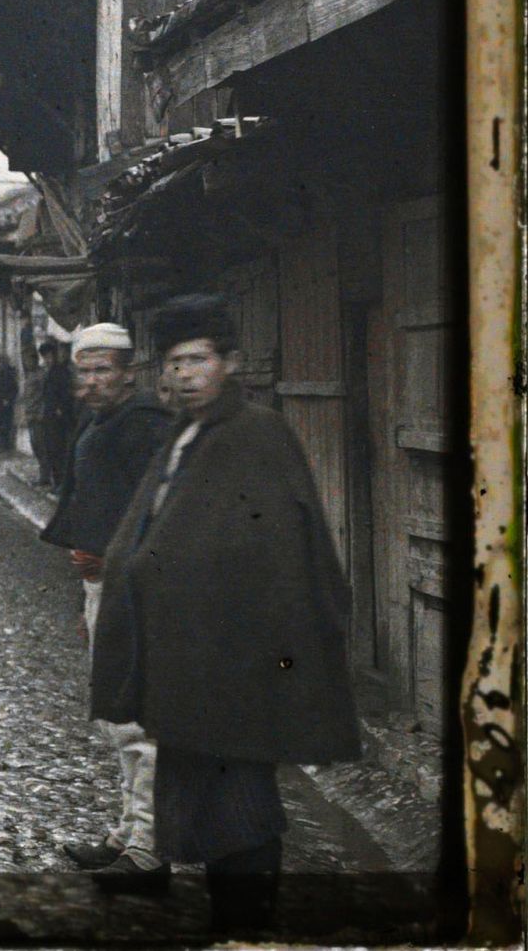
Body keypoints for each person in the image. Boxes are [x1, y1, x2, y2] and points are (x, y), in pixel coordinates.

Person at [90, 295, 361, 935]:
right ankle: (229, 926)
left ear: (230, 363)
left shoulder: (257, 435)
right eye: (175, 363)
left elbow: (279, 553)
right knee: (206, 810)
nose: (185, 374)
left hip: (240, 663)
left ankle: (247, 931)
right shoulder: (186, 437)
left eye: (199, 360)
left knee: (240, 806)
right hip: (192, 662)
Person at [39, 323, 177, 887]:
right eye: (85, 371)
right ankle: (128, 832)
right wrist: (86, 595)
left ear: (128, 372)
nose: (93, 381)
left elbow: (160, 518)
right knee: (117, 719)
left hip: (139, 592)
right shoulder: (99, 423)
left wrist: (116, 571)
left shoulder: (147, 428)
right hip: (104, 589)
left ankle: (149, 847)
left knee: (142, 721)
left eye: (104, 370)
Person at [30, 337, 77, 490]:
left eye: (49, 356)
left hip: (59, 418)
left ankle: (62, 483)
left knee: (60, 450)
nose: (47, 360)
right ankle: (57, 482)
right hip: (49, 417)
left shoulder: (61, 371)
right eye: (45, 357)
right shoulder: (49, 371)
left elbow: (66, 393)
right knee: (51, 450)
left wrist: (60, 409)